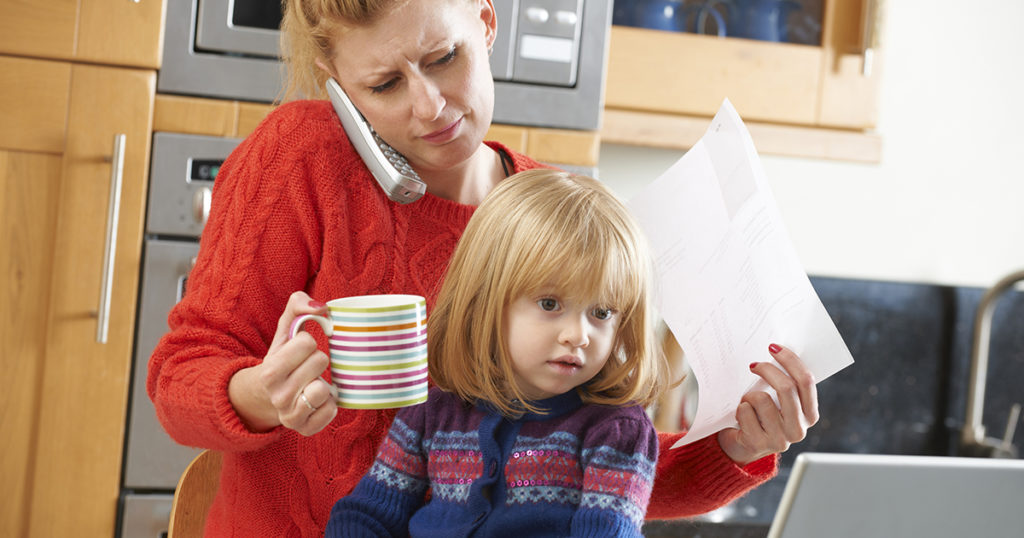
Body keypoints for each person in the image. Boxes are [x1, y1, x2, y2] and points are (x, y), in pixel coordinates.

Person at [147, 0, 820, 535]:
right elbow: (181, 380)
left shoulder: (554, 218)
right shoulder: (297, 158)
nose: (428, 106)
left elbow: (579, 478)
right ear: (337, 85)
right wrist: (259, 396)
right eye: (382, 84)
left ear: (486, 20)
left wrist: (735, 444)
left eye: (444, 58)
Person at [327, 170, 667, 537]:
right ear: (485, 301)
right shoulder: (432, 414)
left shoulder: (617, 432)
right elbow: (368, 514)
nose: (578, 336)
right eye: (550, 303)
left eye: (602, 313)